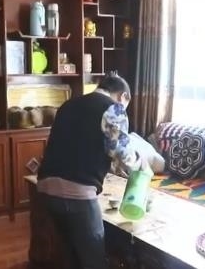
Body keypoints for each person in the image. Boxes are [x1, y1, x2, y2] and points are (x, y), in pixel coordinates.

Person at [36, 71, 142, 269]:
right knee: (94, 260)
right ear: (123, 96)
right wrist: (139, 164)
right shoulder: (114, 108)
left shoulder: (69, 104)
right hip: (77, 194)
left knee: (70, 255)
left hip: (45, 190)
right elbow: (122, 153)